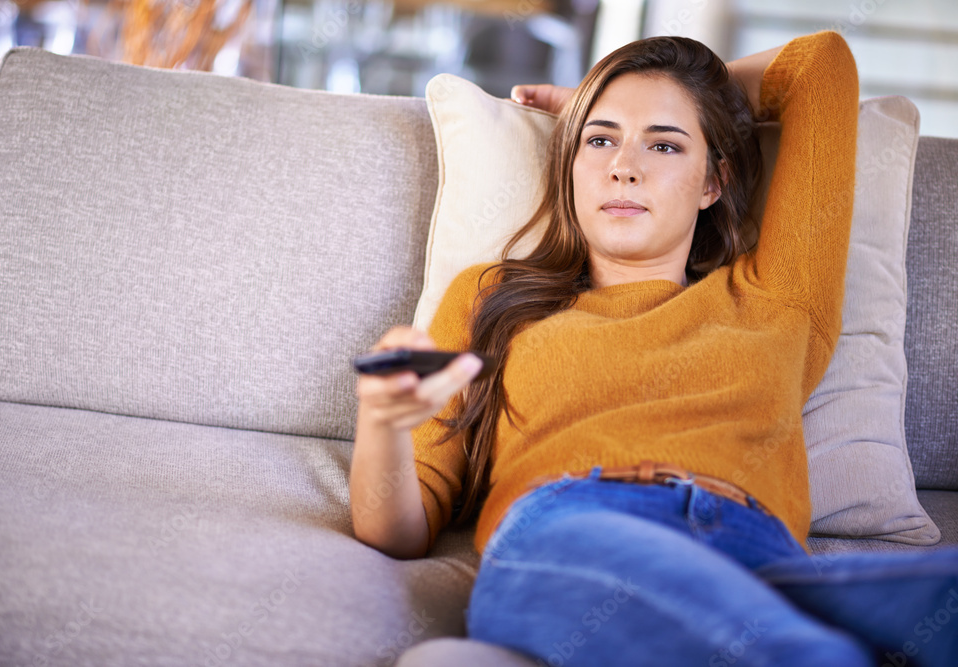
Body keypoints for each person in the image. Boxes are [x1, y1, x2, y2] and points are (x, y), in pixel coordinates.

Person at [350, 30, 958, 666]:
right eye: (599, 139)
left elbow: (820, 66)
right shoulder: (491, 299)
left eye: (663, 144)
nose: (624, 165)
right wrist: (384, 424)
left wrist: (631, 90)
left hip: (752, 555)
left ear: (712, 183)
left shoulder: (778, 295)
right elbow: (396, 529)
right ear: (571, 165)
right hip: (570, 529)